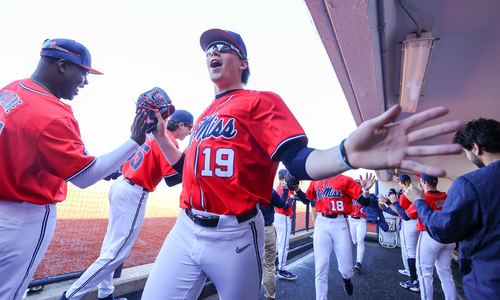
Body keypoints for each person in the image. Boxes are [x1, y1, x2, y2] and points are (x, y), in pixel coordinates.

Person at [140, 28, 464, 300]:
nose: (213, 51)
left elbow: (295, 159)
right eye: (209, 48)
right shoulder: (204, 115)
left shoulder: (260, 100)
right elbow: (186, 171)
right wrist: (159, 135)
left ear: (242, 63)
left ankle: (347, 275)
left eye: (223, 47)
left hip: (234, 235)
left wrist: (344, 154)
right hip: (184, 229)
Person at [0, 38, 148, 300]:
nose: (84, 82)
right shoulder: (52, 113)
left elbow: (23, 149)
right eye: (83, 73)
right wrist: (134, 142)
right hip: (14, 220)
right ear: (62, 66)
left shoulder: (11, 88)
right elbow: (85, 177)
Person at [58, 110, 194, 300]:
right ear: (181, 126)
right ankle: (69, 297)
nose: (189, 132)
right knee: (116, 254)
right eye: (189, 128)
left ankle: (105, 295)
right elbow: (172, 179)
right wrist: (191, 156)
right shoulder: (168, 140)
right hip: (134, 193)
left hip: (121, 185)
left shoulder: (150, 134)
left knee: (110, 247)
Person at [405, 118, 500, 300]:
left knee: (424, 271)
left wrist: (418, 200)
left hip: (489, 282)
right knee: (445, 271)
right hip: (453, 247)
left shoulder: (469, 183)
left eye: (466, 151)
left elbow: (442, 228)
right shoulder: (444, 194)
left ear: (476, 147)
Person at [306, 173, 375, 299]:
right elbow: (306, 199)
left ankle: (347, 279)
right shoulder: (316, 180)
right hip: (321, 222)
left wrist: (365, 190)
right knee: (321, 266)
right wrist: (296, 188)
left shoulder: (346, 180)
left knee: (347, 270)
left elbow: (364, 202)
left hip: (340, 222)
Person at [405, 174, 457, 300]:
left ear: (422, 182)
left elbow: (406, 215)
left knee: (425, 274)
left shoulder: (423, 198)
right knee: (446, 273)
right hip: (448, 238)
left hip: (429, 237)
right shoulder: (445, 195)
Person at [388, 174, 420, 291]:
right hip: (418, 222)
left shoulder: (405, 194)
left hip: (409, 222)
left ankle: (414, 281)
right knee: (417, 251)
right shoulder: (416, 191)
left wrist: (391, 203)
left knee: (410, 252)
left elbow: (402, 213)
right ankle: (418, 278)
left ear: (401, 183)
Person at [259, 189, 288, 300]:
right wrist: (285, 190)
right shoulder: (269, 190)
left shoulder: (248, 187)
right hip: (267, 229)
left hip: (250, 230)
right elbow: (281, 204)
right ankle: (270, 297)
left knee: (250, 266)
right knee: (269, 265)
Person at [275, 169, 299, 280]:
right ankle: (282, 270)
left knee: (278, 243)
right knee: (284, 245)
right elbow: (284, 206)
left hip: (277, 217)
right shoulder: (283, 188)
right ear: (285, 177)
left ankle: (276, 266)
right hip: (283, 218)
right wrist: (291, 199)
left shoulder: (279, 187)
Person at [348, 179, 374, 272]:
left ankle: (359, 262)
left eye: (359, 184)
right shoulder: (350, 195)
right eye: (356, 184)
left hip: (361, 220)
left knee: (360, 241)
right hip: (351, 219)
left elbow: (369, 203)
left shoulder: (365, 195)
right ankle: (358, 249)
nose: (358, 185)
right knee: (355, 240)